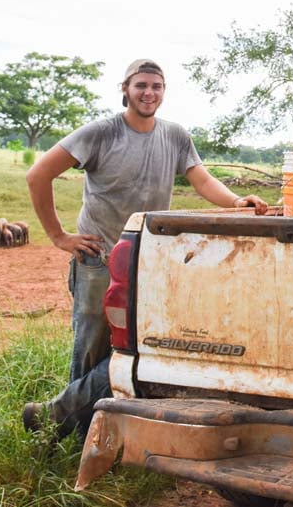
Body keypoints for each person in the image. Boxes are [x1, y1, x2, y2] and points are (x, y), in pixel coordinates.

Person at [22, 58, 268, 437]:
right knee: (91, 348)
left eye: (156, 86)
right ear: (125, 89)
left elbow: (201, 179)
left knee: (135, 348)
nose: (148, 93)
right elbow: (38, 174)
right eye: (141, 86)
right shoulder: (100, 133)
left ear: (163, 91)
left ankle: (80, 421)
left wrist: (235, 202)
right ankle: (73, 433)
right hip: (98, 258)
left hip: (146, 260)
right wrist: (59, 237)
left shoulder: (174, 136)